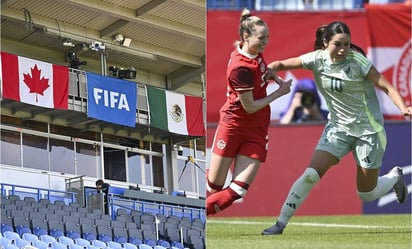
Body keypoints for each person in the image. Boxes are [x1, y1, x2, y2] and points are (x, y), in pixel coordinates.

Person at [261, 21, 411, 235]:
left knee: (366, 194)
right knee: (310, 174)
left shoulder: (358, 62)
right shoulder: (316, 59)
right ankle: (280, 224)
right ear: (325, 43)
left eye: (347, 44)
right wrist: (271, 69)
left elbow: (386, 86)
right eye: (337, 44)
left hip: (369, 132)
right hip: (338, 129)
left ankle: (395, 177)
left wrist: (404, 107)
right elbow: (280, 64)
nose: (343, 50)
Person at [206, 8, 292, 215]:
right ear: (246, 37)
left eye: (267, 37)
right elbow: (250, 106)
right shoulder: (240, 67)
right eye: (262, 38)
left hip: (256, 129)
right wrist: (279, 93)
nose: (266, 42)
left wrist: (267, 74)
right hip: (233, 124)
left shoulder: (251, 51)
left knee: (238, 190)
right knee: (214, 186)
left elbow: (257, 71)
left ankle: (199, 215)